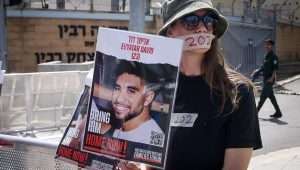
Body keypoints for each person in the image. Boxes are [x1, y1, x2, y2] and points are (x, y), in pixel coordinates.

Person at [154, 0, 262, 170]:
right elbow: (153, 162)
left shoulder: (238, 92)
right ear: (170, 31)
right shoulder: (157, 88)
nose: (202, 28)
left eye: (209, 20)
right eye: (191, 21)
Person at [110, 60, 165, 147]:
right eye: (117, 88)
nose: (119, 99)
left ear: (148, 98)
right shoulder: (120, 129)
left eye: (131, 91)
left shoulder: (151, 140)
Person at [251, 39, 282, 118]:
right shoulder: (266, 56)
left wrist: (272, 78)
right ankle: (278, 112)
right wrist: (257, 71)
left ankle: (255, 112)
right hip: (265, 78)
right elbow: (263, 67)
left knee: (263, 96)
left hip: (269, 79)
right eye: (266, 45)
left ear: (272, 46)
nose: (267, 46)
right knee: (271, 97)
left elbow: (275, 69)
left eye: (268, 45)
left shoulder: (274, 57)